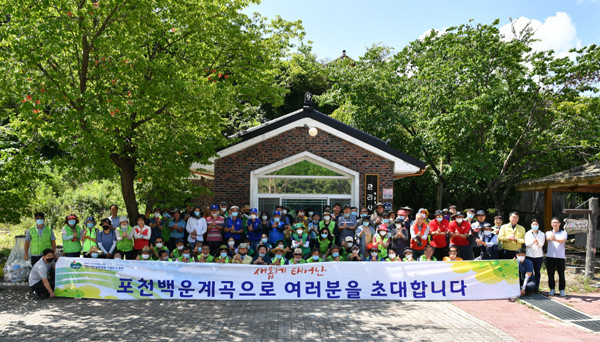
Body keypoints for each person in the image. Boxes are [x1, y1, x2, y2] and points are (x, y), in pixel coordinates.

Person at [546, 217, 567, 297]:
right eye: (553, 222)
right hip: (550, 256)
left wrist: (555, 239)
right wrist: (552, 238)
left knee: (561, 274)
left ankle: (562, 290)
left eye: (556, 222)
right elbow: (548, 238)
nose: (555, 224)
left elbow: (562, 240)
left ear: (559, 224)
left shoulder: (564, 232)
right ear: (551, 224)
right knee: (550, 274)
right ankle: (552, 289)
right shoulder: (548, 232)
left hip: (560, 257)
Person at [525, 219, 545, 291]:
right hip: (529, 255)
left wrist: (537, 243)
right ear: (531, 225)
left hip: (538, 256)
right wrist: (533, 242)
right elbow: (527, 244)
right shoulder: (527, 233)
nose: (535, 226)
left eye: (536, 224)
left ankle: (536, 287)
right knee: (529, 271)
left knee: (537, 272)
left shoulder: (542, 234)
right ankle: (529, 286)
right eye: (533, 224)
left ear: (539, 225)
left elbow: (541, 245)